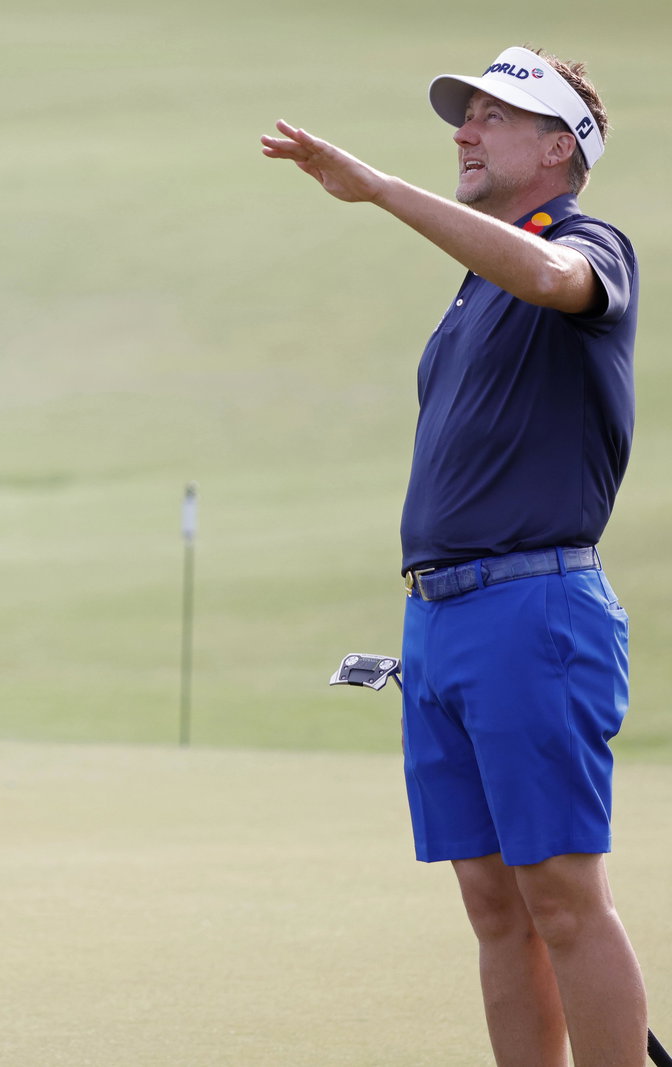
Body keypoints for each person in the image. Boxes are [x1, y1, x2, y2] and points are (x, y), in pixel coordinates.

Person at [263, 47, 645, 1066]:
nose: (464, 133)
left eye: (493, 116)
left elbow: (551, 276)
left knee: (561, 897)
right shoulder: (474, 291)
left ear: (558, 147)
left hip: (535, 610)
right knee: (493, 903)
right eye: (464, 116)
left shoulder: (587, 244)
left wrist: (382, 190)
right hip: (440, 617)